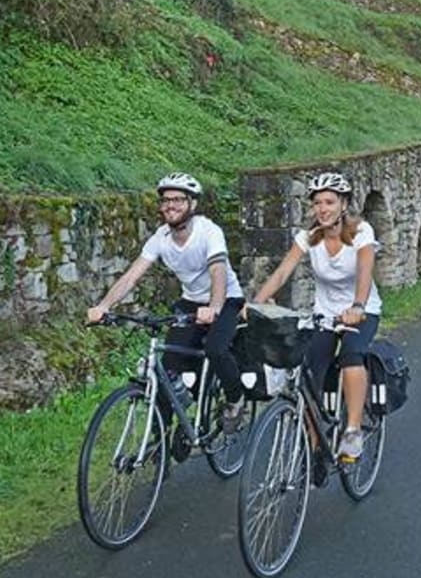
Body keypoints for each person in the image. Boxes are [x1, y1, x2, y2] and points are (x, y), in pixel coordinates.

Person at [88, 173, 251, 431]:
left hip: (226, 300)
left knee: (216, 350)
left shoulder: (208, 232)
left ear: (192, 204)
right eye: (165, 200)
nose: (170, 205)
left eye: (178, 199)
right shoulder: (160, 238)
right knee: (168, 369)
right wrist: (104, 306)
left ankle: (235, 399)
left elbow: (218, 271)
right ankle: (159, 442)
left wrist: (215, 308)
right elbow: (131, 275)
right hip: (191, 301)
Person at [251, 170, 380, 463]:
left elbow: (364, 270)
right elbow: (284, 271)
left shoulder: (361, 232)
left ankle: (352, 431)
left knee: (351, 355)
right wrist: (256, 303)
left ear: (343, 204)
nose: (322, 209)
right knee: (308, 369)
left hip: (361, 311)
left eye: (330, 202)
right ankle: (314, 442)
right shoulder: (308, 237)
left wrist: (358, 307)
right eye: (318, 203)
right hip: (325, 315)